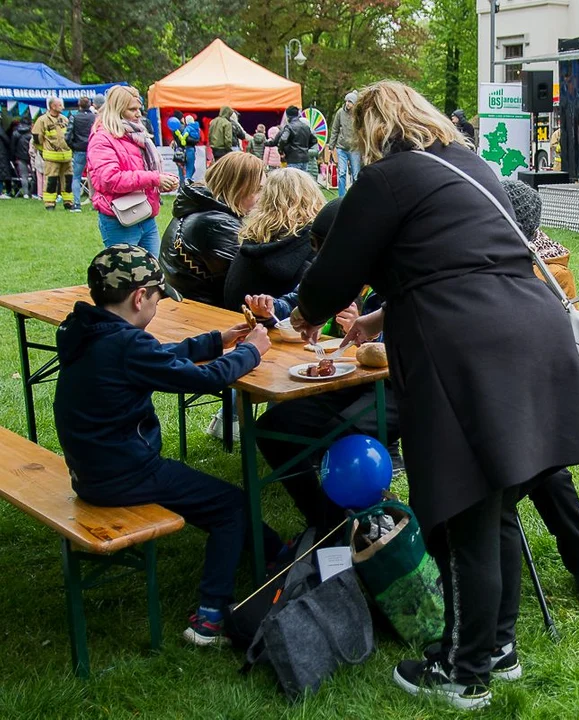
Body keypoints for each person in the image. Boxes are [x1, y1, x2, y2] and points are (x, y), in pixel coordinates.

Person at [288, 81, 579, 709]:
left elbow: (331, 275)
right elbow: (454, 256)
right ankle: (498, 649)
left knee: (461, 515)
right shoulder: (471, 165)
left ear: (370, 130)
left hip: (465, 347)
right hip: (531, 330)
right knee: (497, 503)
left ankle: (461, 670)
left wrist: (306, 314)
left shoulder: (387, 180)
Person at [53, 244, 280, 647]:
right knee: (231, 506)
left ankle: (279, 551)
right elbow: (206, 381)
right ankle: (210, 617)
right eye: (157, 298)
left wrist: (217, 340)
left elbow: (158, 358)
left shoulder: (87, 331)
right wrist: (251, 351)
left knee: (219, 499)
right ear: (140, 297)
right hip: (124, 475)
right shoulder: (125, 346)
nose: (156, 306)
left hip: (89, 470)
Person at [244, 199, 404, 536]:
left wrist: (372, 332)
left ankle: (350, 527)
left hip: (405, 384)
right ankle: (325, 523)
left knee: (344, 432)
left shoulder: (398, 272)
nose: (324, 261)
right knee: (275, 427)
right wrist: (277, 311)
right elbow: (301, 301)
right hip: (353, 377)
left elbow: (416, 332)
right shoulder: (334, 271)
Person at [499, 179, 579, 612]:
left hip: (529, 394)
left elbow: (559, 348)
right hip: (477, 394)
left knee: (547, 470)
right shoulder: (470, 263)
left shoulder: (549, 270)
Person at [160, 151, 265, 306]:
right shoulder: (217, 224)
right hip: (201, 309)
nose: (262, 197)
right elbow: (246, 283)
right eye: (258, 190)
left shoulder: (199, 206)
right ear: (238, 186)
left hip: (185, 301)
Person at [87, 86, 179, 256]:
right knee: (128, 277)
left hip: (145, 215)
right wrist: (154, 179)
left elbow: (147, 170)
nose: (138, 114)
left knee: (155, 274)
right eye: (132, 109)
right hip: (119, 219)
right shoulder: (102, 138)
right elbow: (109, 179)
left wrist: (165, 180)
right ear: (118, 109)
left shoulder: (138, 135)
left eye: (139, 109)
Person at [223, 167, 323, 310]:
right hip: (286, 325)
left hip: (237, 320)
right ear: (313, 197)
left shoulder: (252, 238)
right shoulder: (313, 241)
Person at [31, 97, 74, 210]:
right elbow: (36, 139)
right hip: (52, 157)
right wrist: (44, 150)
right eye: (60, 105)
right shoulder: (42, 120)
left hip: (66, 156)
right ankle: (50, 203)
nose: (63, 107)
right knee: (51, 180)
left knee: (68, 179)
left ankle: (68, 202)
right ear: (52, 106)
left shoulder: (65, 119)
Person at [66, 96, 96, 212]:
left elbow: (68, 135)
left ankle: (77, 204)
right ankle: (95, 202)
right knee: (94, 176)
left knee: (76, 177)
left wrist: (73, 146)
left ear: (79, 104)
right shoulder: (94, 117)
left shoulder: (74, 117)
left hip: (79, 149)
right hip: (92, 149)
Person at [329, 92, 362, 197]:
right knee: (341, 173)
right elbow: (335, 130)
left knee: (355, 174)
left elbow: (363, 130)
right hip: (341, 148)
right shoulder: (340, 113)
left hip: (354, 148)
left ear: (354, 103)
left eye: (350, 102)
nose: (347, 104)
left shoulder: (359, 114)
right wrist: (331, 146)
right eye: (346, 101)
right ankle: (341, 196)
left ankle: (354, 196)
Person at [172, 114, 201, 187]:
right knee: (191, 167)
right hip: (192, 149)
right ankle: (187, 182)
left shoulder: (187, 128)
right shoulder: (197, 128)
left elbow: (183, 137)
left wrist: (181, 138)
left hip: (186, 149)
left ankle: (186, 183)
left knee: (187, 168)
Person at [12, 116, 34, 198]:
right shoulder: (32, 132)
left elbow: (12, 146)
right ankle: (34, 192)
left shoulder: (16, 132)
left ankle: (25, 193)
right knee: (35, 175)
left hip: (20, 156)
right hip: (32, 156)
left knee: (23, 176)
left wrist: (13, 157)